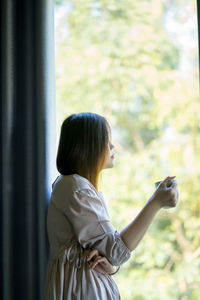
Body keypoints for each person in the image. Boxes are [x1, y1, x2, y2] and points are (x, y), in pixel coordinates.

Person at [44, 112, 179, 300]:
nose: (112, 146)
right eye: (106, 139)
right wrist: (156, 202)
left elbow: (110, 253)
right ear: (89, 146)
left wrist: (109, 266)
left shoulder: (75, 187)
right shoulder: (75, 188)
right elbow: (116, 250)